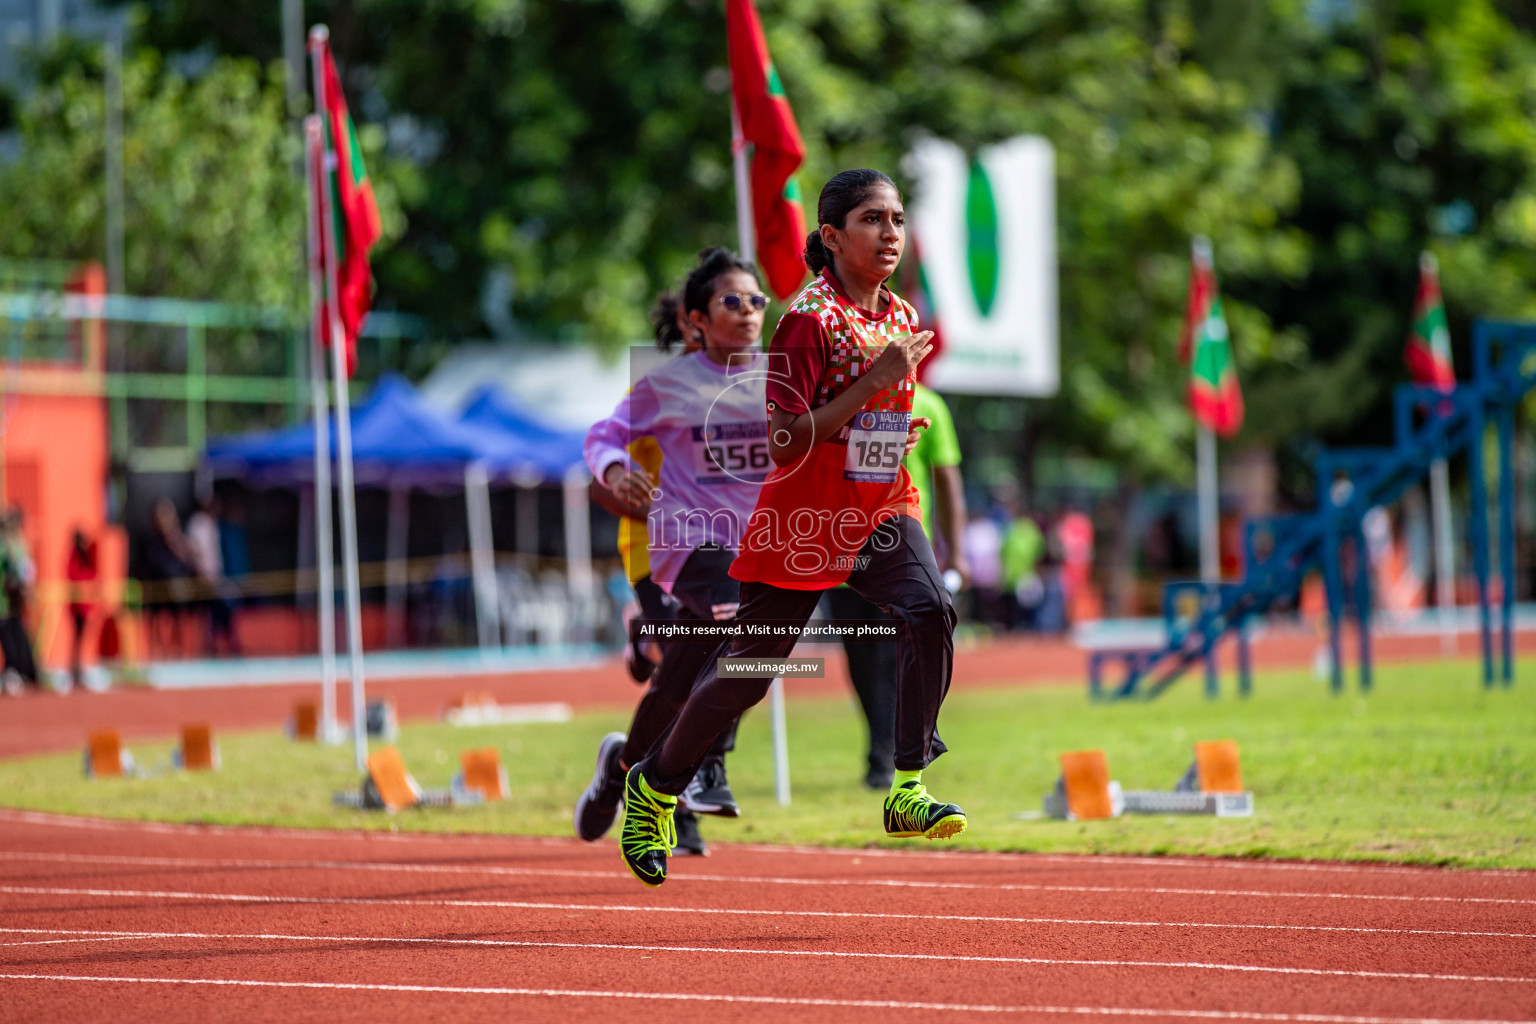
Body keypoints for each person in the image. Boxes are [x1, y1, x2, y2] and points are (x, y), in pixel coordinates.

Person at [618, 169, 967, 888]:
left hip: (879, 506)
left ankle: (907, 786)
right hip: (802, 520)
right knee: (747, 674)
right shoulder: (808, 319)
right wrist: (874, 385)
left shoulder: (900, 316)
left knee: (930, 607)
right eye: (874, 219)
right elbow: (783, 441)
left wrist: (895, 425)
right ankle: (652, 786)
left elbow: (876, 418)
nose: (891, 233)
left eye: (898, 218)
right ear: (833, 236)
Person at [574, 247, 772, 857]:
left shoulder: (780, 381)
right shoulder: (667, 385)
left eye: (756, 301)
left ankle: (623, 769)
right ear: (696, 320)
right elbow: (603, 439)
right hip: (678, 549)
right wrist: (613, 469)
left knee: (681, 678)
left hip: (750, 553)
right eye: (730, 302)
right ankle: (705, 770)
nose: (746, 312)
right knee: (736, 634)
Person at [825, 380, 968, 789]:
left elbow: (948, 482)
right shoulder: (839, 401)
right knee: (861, 661)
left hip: (898, 548)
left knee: (890, 657)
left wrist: (956, 553)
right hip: (841, 550)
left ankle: (887, 755)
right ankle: (881, 746)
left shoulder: (928, 404)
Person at [186, 494, 239, 656]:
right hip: (203, 577)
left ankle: (226, 642)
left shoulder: (212, 524)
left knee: (225, 607)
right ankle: (214, 645)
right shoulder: (198, 524)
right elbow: (195, 553)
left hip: (216, 575)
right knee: (213, 609)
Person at [0, 508, 39, 693]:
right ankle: (16, 670)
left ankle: (17, 671)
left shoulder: (12, 544)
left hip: (7, 601)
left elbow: (21, 571)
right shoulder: (13, 543)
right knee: (13, 634)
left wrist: (23, 589)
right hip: (9, 600)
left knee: (11, 636)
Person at [66, 528, 99, 688]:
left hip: (84, 606)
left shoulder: (85, 557)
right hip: (77, 607)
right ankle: (74, 670)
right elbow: (75, 577)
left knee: (82, 639)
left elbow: (92, 576)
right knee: (77, 639)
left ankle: (78, 669)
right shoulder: (75, 557)